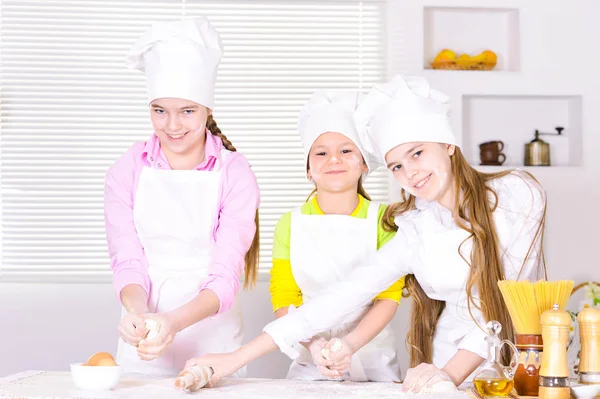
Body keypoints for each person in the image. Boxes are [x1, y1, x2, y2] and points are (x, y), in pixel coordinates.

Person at [184, 75, 546, 392]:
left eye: (417, 153)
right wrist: (234, 359)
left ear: (448, 144)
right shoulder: (413, 227)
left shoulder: (516, 195)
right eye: (397, 166)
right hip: (444, 361)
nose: (411, 173)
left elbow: (500, 300)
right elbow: (342, 297)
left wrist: (448, 377)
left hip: (509, 354)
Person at [103, 17, 260, 376]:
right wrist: (138, 313)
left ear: (207, 110)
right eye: (160, 111)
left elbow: (225, 275)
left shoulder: (234, 173)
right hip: (143, 334)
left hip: (212, 337)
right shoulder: (127, 169)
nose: (172, 126)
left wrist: (172, 322)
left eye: (187, 111)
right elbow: (127, 260)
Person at [269, 90, 405, 381]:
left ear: (364, 164)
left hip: (373, 358)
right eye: (321, 153)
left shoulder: (385, 221)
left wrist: (350, 345)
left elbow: (388, 298)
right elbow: (284, 296)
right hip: (311, 358)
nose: (334, 160)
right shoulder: (290, 224)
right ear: (308, 169)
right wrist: (315, 345)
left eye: (346, 150)